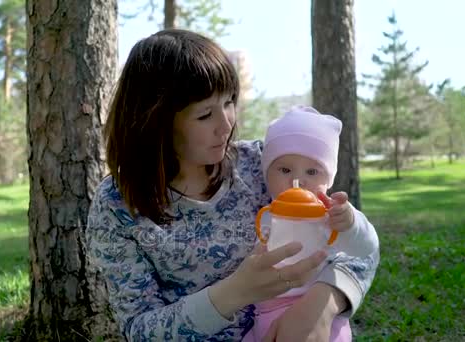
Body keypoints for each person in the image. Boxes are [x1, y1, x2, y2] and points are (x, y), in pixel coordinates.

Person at [86, 29, 380, 341]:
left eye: (229, 102)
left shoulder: (266, 166)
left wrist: (321, 306)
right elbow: (140, 329)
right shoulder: (117, 207)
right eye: (205, 115)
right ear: (156, 122)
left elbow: (356, 247)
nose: (226, 125)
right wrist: (234, 292)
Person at [243, 106, 380, 342]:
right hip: (264, 313)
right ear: (267, 174)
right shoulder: (265, 214)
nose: (298, 180)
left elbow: (366, 248)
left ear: (328, 179)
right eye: (284, 169)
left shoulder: (331, 214)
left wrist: (350, 224)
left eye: (312, 171)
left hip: (317, 313)